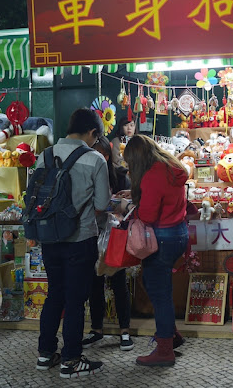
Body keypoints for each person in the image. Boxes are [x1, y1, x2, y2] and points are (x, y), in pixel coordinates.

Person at [35, 108, 110, 379]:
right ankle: (71, 360)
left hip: (49, 238)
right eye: (96, 137)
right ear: (92, 133)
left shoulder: (43, 157)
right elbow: (102, 204)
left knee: (55, 293)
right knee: (76, 300)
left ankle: (45, 354)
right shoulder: (94, 159)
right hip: (80, 238)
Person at [122, 134, 189, 367]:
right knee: (162, 289)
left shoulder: (152, 176)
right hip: (179, 233)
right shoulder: (171, 166)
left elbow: (148, 215)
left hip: (161, 239)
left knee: (158, 292)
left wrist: (129, 209)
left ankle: (164, 350)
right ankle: (171, 335)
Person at [83, 136, 133, 351]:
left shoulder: (120, 175)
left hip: (115, 234)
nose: (98, 158)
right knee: (94, 283)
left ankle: (124, 331)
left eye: (102, 154)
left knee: (118, 281)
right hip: (92, 232)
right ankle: (96, 329)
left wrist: (121, 205)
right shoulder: (85, 173)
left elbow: (132, 205)